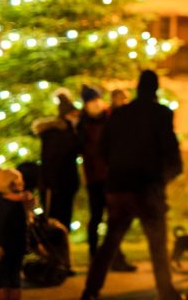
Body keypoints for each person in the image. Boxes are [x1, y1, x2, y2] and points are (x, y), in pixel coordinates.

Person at [81, 70, 183, 300]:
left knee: (109, 243)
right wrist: (162, 179)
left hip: (119, 187)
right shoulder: (161, 114)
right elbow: (171, 154)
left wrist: (116, 172)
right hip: (148, 188)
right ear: (155, 89)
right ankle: (166, 292)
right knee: (158, 245)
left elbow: (103, 150)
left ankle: (90, 290)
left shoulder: (119, 115)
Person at [78, 85, 135, 272]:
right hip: (95, 178)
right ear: (86, 105)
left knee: (114, 219)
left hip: (111, 176)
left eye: (97, 100)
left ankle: (116, 258)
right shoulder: (82, 123)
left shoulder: (108, 118)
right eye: (91, 101)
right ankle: (95, 257)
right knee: (96, 218)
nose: (96, 104)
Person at [32, 89, 81, 232]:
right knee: (56, 218)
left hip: (63, 182)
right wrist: (50, 182)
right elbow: (54, 159)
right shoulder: (58, 134)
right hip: (57, 183)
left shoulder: (68, 131)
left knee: (62, 217)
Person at [0, 168, 34, 300]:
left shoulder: (19, 201)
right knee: (3, 277)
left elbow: (23, 225)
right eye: (16, 182)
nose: (20, 185)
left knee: (14, 278)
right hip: (3, 246)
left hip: (17, 245)